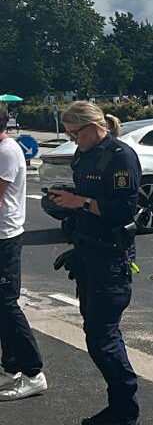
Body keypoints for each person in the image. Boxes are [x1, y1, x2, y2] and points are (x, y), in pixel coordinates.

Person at [49, 101, 141, 425]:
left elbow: (122, 211)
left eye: (75, 133)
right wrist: (66, 198)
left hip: (112, 258)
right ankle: (120, 406)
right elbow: (87, 195)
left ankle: (125, 409)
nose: (72, 139)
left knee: (103, 337)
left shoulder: (119, 157)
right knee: (96, 334)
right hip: (89, 254)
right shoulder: (84, 155)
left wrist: (81, 201)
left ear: (92, 127)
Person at [0, 103, 47, 402]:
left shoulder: (6, 151)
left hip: (4, 237)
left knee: (7, 305)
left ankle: (33, 373)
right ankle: (12, 366)